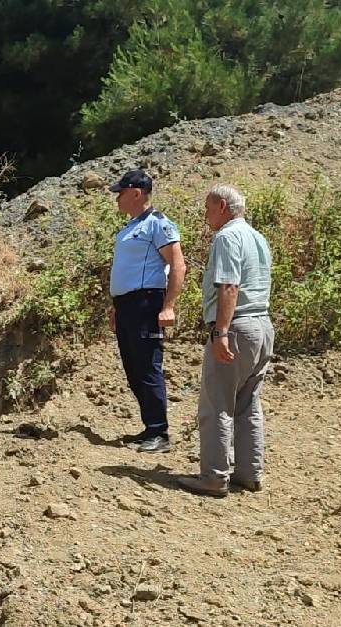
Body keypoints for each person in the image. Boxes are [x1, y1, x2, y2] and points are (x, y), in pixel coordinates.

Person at [178, 184, 274, 497]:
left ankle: (214, 477)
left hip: (237, 328)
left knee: (216, 404)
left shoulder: (227, 237)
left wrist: (220, 332)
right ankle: (249, 473)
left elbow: (229, 287)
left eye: (207, 208)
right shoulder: (258, 238)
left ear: (221, 206)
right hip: (262, 327)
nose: (205, 215)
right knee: (248, 403)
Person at [106, 169, 186, 453]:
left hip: (146, 303)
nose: (117, 198)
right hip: (127, 306)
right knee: (133, 369)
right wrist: (118, 306)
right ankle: (149, 427)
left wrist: (168, 306)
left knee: (148, 366)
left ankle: (159, 433)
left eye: (121, 192)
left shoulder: (158, 224)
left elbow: (177, 265)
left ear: (136, 193)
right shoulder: (129, 228)